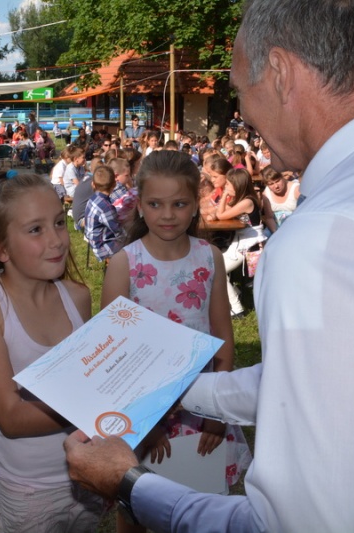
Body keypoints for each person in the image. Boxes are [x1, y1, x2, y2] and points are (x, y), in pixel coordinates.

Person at [64, 1, 354, 532]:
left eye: (241, 90)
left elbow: (298, 522)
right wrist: (179, 391)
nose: (243, 114)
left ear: (281, 73)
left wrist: (131, 485)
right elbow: (323, 380)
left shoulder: (329, 239)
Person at [100, 150, 251, 530]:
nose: (167, 215)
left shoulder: (209, 257)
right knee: (135, 509)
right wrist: (143, 424)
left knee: (205, 509)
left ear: (195, 203)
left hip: (203, 410)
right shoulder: (124, 264)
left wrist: (218, 412)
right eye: (155, 204)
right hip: (143, 412)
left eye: (179, 204)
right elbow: (111, 354)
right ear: (139, 205)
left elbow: (222, 335)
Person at [0, 170, 105, 532]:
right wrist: (103, 400)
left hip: (87, 474)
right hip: (29, 490)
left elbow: (90, 375)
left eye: (58, 222)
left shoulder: (78, 297)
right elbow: (11, 417)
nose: (57, 240)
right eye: (35, 230)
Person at [208, 167, 266, 318]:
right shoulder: (241, 200)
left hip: (249, 246)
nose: (226, 186)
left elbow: (221, 215)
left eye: (228, 184)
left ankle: (237, 309)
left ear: (237, 185)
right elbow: (220, 211)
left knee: (217, 271)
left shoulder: (247, 201)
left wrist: (224, 194)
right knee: (215, 267)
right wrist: (217, 210)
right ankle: (236, 292)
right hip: (239, 243)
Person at [83, 165, 124, 262]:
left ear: (93, 184)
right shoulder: (106, 207)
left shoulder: (92, 199)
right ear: (114, 185)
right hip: (103, 247)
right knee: (134, 242)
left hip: (93, 240)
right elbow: (118, 230)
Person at [261, 166, 301, 233]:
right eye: (271, 184)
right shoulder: (266, 194)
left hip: (295, 226)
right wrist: (275, 232)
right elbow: (269, 218)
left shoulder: (296, 190)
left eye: (277, 181)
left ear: (283, 177)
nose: (276, 186)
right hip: (276, 227)